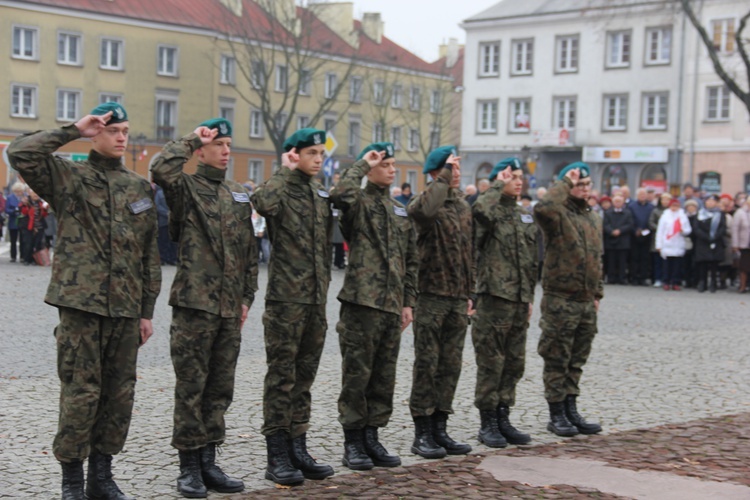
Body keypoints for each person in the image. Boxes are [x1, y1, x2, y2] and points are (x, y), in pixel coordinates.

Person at [8, 102, 161, 500]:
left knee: (119, 394)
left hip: (125, 310)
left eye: (125, 130)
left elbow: (149, 255)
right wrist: (74, 129)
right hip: (82, 306)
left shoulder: (138, 187)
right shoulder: (69, 176)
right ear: (97, 133)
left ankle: (102, 478)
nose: (122, 137)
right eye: (113, 130)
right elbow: (20, 152)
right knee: (81, 392)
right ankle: (72, 482)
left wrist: (146, 311)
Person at [151, 118, 256, 498]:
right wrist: (194, 136)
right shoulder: (187, 187)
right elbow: (161, 168)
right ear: (201, 151)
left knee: (219, 389)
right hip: (195, 305)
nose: (226, 150)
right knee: (192, 388)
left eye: (229, 144)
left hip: (229, 308)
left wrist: (247, 298)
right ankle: (189, 467)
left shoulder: (238, 194)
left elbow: (249, 254)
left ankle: (210, 462)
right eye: (219, 144)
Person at [251, 128, 334, 485]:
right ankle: (277, 455)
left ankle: (298, 447)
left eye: (321, 153)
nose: (318, 159)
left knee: (304, 378)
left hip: (315, 299)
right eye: (311, 153)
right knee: (282, 378)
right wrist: (284, 170)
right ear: (294, 155)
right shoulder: (281, 187)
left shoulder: (318, 192)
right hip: (287, 300)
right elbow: (262, 203)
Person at [331, 142, 418, 471]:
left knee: (384, 376)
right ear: (370, 168)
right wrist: (362, 164)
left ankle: (372, 435)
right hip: (362, 303)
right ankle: (353, 440)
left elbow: (411, 260)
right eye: (385, 164)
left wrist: (408, 302)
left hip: (392, 306)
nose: (392, 169)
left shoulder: (399, 209)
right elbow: (339, 193)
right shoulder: (358, 202)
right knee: (358, 374)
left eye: (394, 164)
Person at [407, 145, 473, 459]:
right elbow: (425, 211)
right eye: (451, 166)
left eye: (457, 166)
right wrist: (443, 177)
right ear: (436, 172)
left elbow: (467, 252)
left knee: (450, 367)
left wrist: (470, 292)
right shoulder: (422, 203)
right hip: (430, 297)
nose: (457, 172)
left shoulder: (461, 205)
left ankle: (440, 427)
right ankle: (422, 433)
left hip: (457, 298)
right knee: (427, 366)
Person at [472, 157, 537, 447]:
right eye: (512, 177)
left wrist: (530, 298)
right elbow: (480, 210)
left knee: (514, 363)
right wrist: (496, 184)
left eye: (520, 176)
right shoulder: (491, 210)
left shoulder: (524, 215)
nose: (518, 181)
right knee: (491, 362)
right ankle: (487, 423)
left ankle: (503, 417)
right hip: (494, 299)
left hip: (519, 299)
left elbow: (531, 262)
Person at [534, 162, 603, 437]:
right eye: (579, 184)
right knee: (557, 357)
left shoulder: (593, 218)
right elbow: (542, 208)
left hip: (586, 300)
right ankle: (556, 413)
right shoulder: (557, 214)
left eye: (588, 184)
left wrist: (597, 293)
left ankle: (571, 408)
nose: (585, 189)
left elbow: (598, 258)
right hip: (561, 299)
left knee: (577, 358)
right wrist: (564, 181)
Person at [655, 199, 692, 291]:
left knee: (677, 266)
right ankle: (666, 282)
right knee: (666, 265)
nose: (674, 208)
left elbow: (688, 230)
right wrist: (659, 245)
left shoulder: (683, 216)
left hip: (678, 243)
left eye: (676, 206)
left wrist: (683, 231)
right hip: (667, 244)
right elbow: (660, 231)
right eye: (673, 205)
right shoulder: (665, 216)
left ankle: (676, 282)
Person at [693, 194, 727, 293]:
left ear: (716, 203)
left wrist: (715, 237)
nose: (710, 203)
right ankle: (702, 282)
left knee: (714, 264)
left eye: (713, 201)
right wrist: (706, 237)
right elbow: (696, 228)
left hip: (716, 241)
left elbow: (723, 227)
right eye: (708, 201)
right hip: (702, 242)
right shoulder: (699, 214)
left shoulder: (720, 214)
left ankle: (713, 283)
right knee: (702, 263)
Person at [603, 194, 634, 285]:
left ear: (623, 202)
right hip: (611, 239)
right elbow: (605, 224)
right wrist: (612, 231)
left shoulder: (628, 213)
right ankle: (611, 278)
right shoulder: (608, 213)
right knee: (611, 260)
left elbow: (630, 224)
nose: (617, 203)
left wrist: (620, 231)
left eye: (619, 201)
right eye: (616, 201)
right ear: (613, 202)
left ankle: (622, 278)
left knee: (622, 261)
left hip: (623, 239)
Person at [628, 188, 654, 285]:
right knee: (634, 257)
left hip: (647, 235)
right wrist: (635, 230)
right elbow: (630, 219)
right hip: (634, 235)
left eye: (644, 194)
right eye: (640, 194)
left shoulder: (651, 207)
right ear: (637, 196)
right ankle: (634, 277)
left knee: (645, 258)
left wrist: (647, 230)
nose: (642, 196)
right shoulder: (631, 206)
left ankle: (643, 278)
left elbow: (651, 220)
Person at [18, 189, 48, 265]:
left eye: (37, 194)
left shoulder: (41, 203)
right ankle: (27, 259)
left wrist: (45, 209)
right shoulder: (26, 202)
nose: (36, 195)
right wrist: (25, 205)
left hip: (40, 226)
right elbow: (24, 212)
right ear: (30, 194)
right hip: (29, 226)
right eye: (34, 193)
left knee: (37, 244)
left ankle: (35, 259)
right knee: (28, 243)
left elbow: (44, 215)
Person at [648, 193, 672, 287]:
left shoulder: (672, 211)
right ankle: (657, 278)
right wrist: (660, 229)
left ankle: (667, 279)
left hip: (670, 239)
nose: (665, 202)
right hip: (657, 238)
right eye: (663, 200)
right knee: (657, 260)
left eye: (667, 200)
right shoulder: (655, 211)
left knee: (667, 261)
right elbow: (650, 222)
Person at [153, 183, 177, 265]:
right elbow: (157, 206)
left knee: (172, 241)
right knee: (164, 241)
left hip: (170, 221)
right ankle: (164, 259)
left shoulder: (174, 194)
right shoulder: (160, 193)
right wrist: (167, 213)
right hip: (164, 221)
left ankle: (171, 259)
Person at [731, 197, 750, 293]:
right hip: (744, 244)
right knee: (744, 267)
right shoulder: (740, 213)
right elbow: (735, 229)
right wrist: (735, 244)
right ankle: (742, 286)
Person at [4, 183, 25, 262]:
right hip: (13, 221)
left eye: (21, 191)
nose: (19, 193)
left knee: (22, 240)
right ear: (15, 191)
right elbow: (7, 209)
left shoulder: (25, 197)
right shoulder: (10, 198)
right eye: (18, 191)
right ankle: (13, 256)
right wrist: (14, 211)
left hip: (22, 221)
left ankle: (22, 256)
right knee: (13, 240)